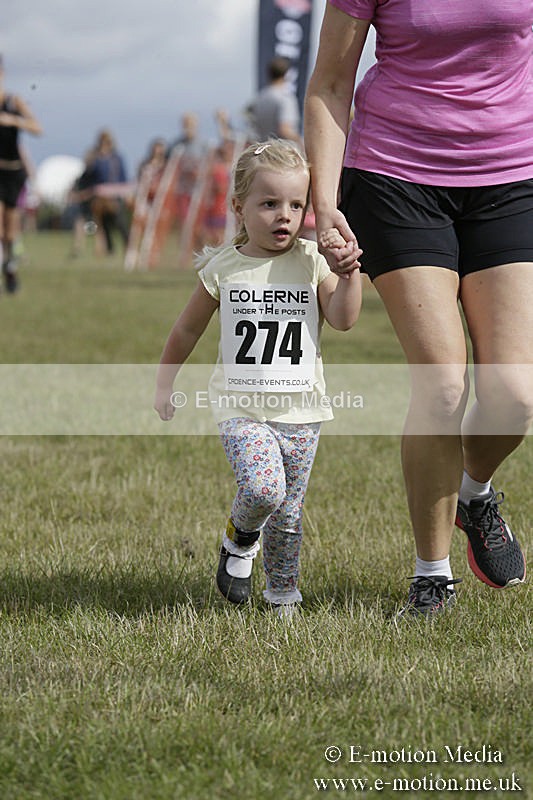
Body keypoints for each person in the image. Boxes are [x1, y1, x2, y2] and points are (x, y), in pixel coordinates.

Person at [304, 1, 530, 617]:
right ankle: (432, 577)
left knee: (515, 393)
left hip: (513, 176)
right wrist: (324, 203)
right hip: (396, 176)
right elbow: (330, 83)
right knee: (442, 382)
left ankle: (473, 494)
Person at [154, 139, 362, 617]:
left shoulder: (311, 261)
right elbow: (186, 330)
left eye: (296, 205)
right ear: (239, 208)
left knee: (288, 513)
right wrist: (165, 383)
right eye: (269, 204)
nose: (284, 216)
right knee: (265, 489)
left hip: (302, 410)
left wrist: (349, 274)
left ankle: (283, 594)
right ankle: (240, 536)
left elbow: (343, 318)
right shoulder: (223, 269)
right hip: (240, 407)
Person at [0, 55, 42, 292]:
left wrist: (13, 120)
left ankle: (10, 268)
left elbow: (37, 127)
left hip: (13, 173)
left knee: (10, 231)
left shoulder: (13, 101)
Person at [246, 57, 303, 149]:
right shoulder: (285, 98)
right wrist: (301, 142)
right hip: (281, 151)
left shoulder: (260, 98)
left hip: (262, 150)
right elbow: (285, 129)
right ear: (286, 74)